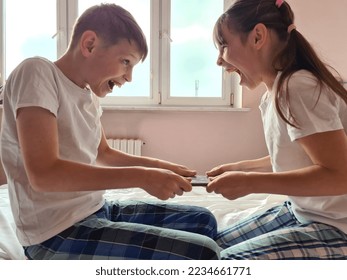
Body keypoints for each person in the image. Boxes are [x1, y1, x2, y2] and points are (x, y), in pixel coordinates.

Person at [0, 4, 220, 260]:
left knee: (204, 221)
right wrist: (142, 177)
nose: (128, 78)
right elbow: (43, 174)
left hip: (94, 210)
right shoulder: (37, 72)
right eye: (125, 62)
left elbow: (104, 153)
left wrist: (160, 167)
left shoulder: (88, 95)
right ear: (89, 44)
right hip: (55, 233)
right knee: (203, 252)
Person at [207, 0, 347, 259]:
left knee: (228, 262)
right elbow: (300, 156)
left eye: (224, 46)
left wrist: (251, 183)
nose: (219, 61)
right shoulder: (274, 93)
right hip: (303, 211)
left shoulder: (297, 88)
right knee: (209, 249)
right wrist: (243, 168)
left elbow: (340, 176)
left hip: (338, 226)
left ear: (258, 36)